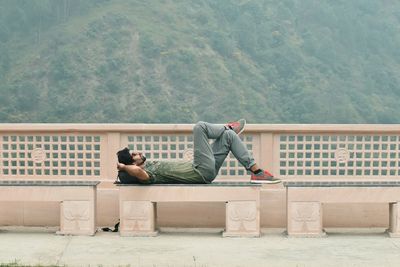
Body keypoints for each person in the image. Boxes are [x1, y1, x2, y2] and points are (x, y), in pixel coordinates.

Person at [116, 119, 281, 184]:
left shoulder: (149, 164)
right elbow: (137, 171)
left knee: (229, 137)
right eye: (133, 155)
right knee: (199, 127)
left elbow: (135, 168)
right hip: (200, 171)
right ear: (132, 163)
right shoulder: (147, 175)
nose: (137, 152)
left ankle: (256, 171)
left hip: (202, 168)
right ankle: (227, 127)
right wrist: (123, 167)